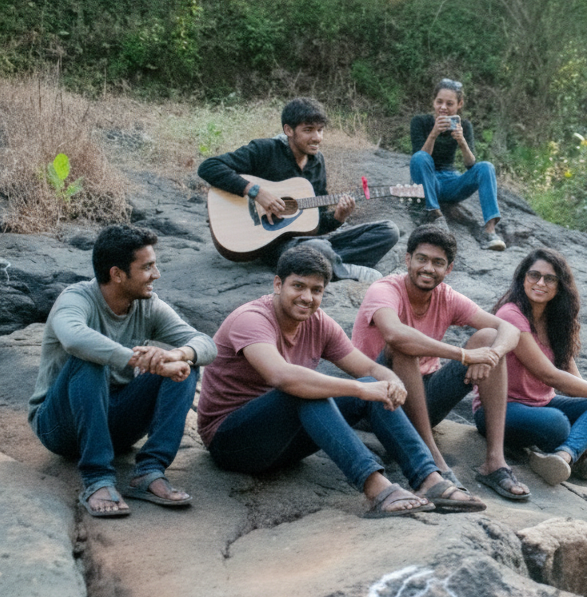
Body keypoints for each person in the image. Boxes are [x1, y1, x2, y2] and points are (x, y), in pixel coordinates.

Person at [197, 244, 486, 516]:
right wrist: (361, 389)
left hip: (282, 444)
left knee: (369, 391)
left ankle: (429, 479)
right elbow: (281, 376)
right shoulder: (252, 319)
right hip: (232, 443)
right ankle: (377, 490)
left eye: (316, 290)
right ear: (277, 284)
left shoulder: (318, 322)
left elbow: (367, 368)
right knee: (306, 390)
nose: (307, 297)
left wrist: (388, 380)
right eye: (298, 286)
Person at [28, 225, 218, 518]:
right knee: (89, 359)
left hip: (116, 423)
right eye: (147, 267)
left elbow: (206, 343)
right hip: (61, 426)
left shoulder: (148, 305)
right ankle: (97, 479)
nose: (156, 274)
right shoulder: (76, 299)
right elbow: (75, 339)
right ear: (117, 274)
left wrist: (176, 355)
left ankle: (149, 472)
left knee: (183, 367)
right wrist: (137, 360)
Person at [351, 224, 529, 501]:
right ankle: (433, 460)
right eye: (421, 259)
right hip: (377, 399)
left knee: (488, 337)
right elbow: (394, 333)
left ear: (448, 269)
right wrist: (465, 356)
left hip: (424, 399)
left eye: (438, 263)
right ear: (408, 259)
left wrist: (490, 354)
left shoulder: (446, 296)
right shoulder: (385, 289)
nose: (428, 268)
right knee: (403, 345)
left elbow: (509, 330)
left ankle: (495, 462)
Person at [483, 248, 587, 485]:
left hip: (542, 404)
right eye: (533, 275)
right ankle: (578, 456)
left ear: (560, 286)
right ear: (522, 279)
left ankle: (562, 456)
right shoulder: (511, 314)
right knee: (556, 421)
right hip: (501, 410)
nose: (540, 283)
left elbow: (572, 385)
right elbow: (548, 375)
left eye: (549, 278)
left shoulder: (557, 321)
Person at [198, 96, 400, 281]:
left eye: (320, 130)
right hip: (270, 245)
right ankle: (341, 267)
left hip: (303, 241)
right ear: (288, 130)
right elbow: (209, 167)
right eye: (308, 130)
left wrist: (339, 217)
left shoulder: (317, 162)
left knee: (389, 230)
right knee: (316, 248)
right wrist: (257, 192)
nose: (317, 137)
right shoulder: (265, 150)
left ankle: (329, 263)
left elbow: (316, 223)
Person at [409, 78, 506, 251]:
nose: (443, 107)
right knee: (419, 158)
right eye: (439, 102)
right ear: (433, 101)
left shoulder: (465, 126)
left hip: (451, 181)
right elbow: (419, 158)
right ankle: (434, 215)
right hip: (427, 181)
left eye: (449, 103)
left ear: (459, 104)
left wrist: (462, 142)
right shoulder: (420, 122)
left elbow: (471, 165)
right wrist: (433, 134)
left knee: (486, 167)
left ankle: (490, 231)